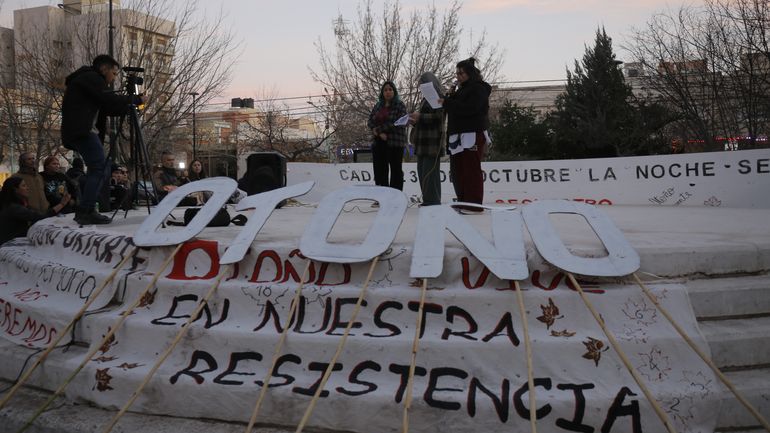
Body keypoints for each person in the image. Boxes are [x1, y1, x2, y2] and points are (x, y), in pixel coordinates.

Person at [61, 54, 146, 225]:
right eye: (114, 74)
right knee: (100, 168)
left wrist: (130, 106)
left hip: (81, 131)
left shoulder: (86, 81)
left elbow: (107, 106)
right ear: (104, 69)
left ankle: (86, 208)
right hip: (83, 131)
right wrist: (136, 99)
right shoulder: (91, 78)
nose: (114, 79)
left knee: (102, 168)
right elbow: (108, 99)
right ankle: (86, 209)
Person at [439, 57, 492, 214]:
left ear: (470, 73)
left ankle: (474, 204)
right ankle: (463, 200)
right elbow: (453, 108)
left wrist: (448, 103)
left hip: (472, 133)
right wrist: (449, 97)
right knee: (459, 169)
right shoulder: (461, 90)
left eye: (461, 73)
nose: (458, 76)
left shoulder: (479, 88)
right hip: (458, 134)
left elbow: (471, 108)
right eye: (456, 73)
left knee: (471, 169)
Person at [409, 72, 446, 206]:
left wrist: (420, 117)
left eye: (424, 83)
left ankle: (433, 200)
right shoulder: (425, 99)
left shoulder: (439, 97)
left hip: (432, 143)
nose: (422, 86)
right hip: (422, 142)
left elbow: (439, 118)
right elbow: (425, 118)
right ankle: (428, 199)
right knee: (423, 172)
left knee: (430, 174)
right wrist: (414, 121)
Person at [0, 177, 71, 245]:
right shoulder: (14, 208)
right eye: (24, 186)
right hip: (9, 244)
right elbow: (40, 216)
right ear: (15, 189)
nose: (27, 188)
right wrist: (62, 204)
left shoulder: (15, 204)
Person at [367, 81, 408, 192]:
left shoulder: (400, 105)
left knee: (396, 171)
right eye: (385, 90)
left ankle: (396, 197)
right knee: (380, 170)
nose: (388, 92)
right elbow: (370, 121)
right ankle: (381, 196)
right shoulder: (378, 105)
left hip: (395, 142)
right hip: (379, 142)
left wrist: (379, 130)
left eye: (390, 89)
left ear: (394, 91)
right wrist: (379, 133)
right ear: (382, 93)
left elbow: (397, 122)